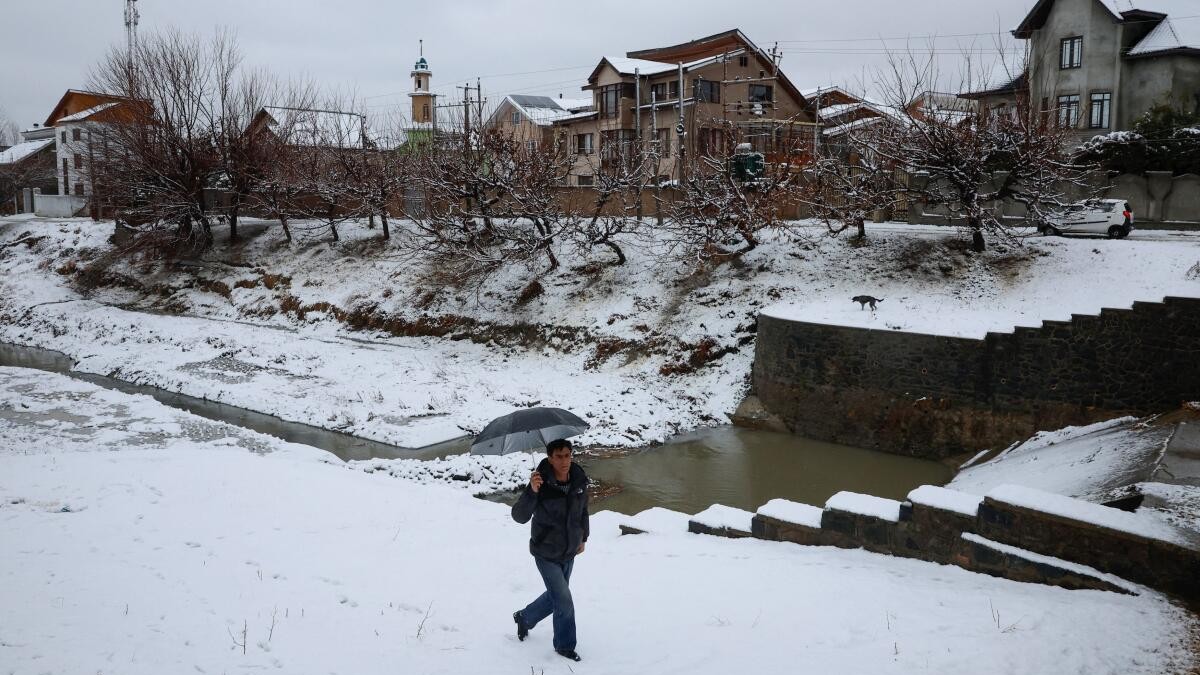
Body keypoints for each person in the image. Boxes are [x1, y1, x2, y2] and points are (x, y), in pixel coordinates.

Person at [511, 438, 589, 662]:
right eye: (559, 456)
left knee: (556, 596)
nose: (564, 461)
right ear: (549, 458)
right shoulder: (540, 483)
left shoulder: (578, 479)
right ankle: (564, 646)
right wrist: (532, 492)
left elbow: (583, 509)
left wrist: (584, 536)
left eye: (567, 455)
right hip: (545, 552)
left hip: (569, 549)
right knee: (564, 600)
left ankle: (524, 618)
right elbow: (519, 517)